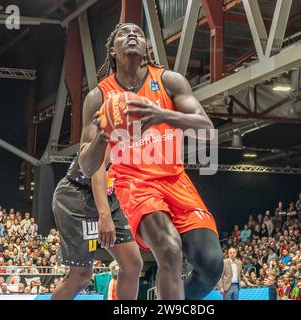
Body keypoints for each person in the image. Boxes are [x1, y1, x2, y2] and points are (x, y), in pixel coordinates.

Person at [79, 23, 223, 300]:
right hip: (135, 183)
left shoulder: (170, 81)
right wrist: (103, 134)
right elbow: (87, 166)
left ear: (147, 47)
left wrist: (162, 115)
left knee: (211, 264)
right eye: (123, 32)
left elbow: (206, 129)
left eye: (138, 32)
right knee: (169, 250)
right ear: (112, 51)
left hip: (176, 180)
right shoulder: (98, 96)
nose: (132, 34)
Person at [51, 153, 143, 300]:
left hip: (111, 196)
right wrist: (104, 215)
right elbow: (97, 166)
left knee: (132, 264)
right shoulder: (112, 131)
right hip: (78, 196)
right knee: (81, 275)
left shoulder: (150, 136)